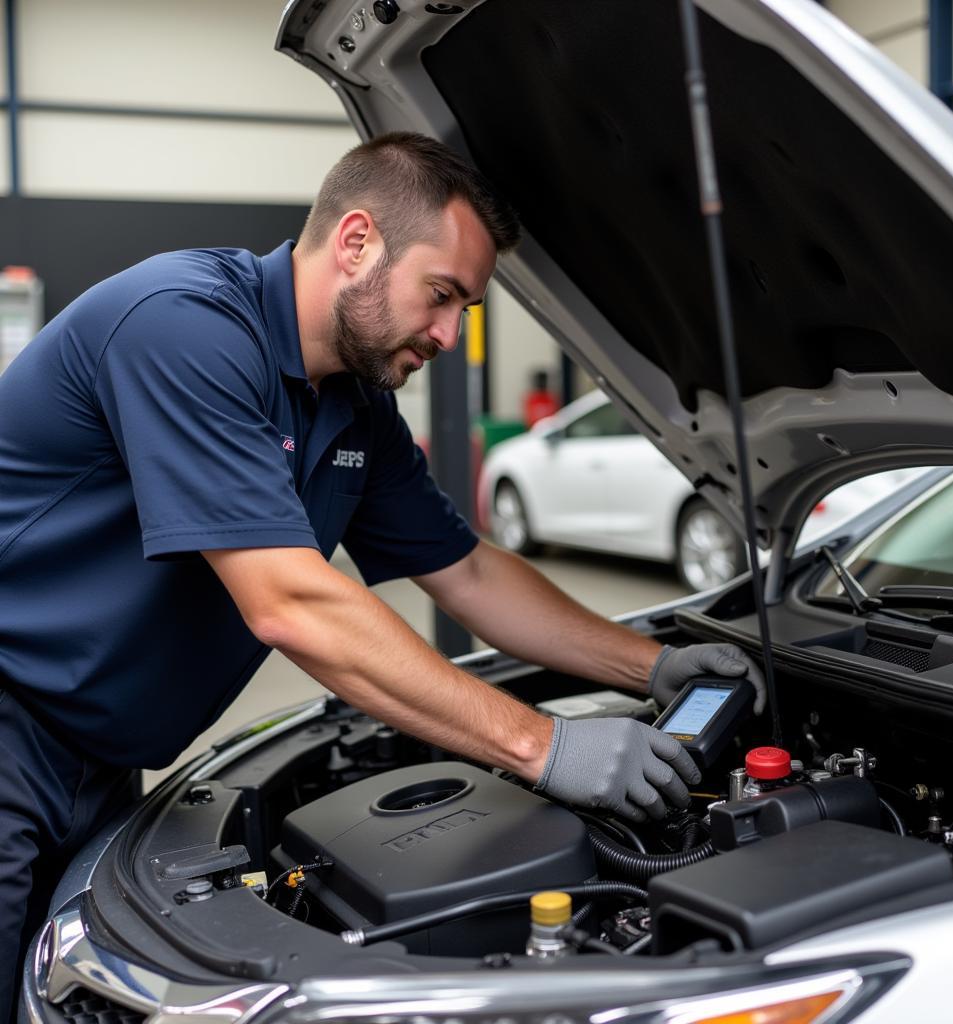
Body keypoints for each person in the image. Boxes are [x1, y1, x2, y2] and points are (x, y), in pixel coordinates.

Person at [0, 132, 763, 1016]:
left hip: (103, 758)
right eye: (440, 296)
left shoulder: (354, 406)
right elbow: (290, 602)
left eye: (465, 309)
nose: (447, 333)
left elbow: (470, 573)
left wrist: (650, 664)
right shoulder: (184, 326)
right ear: (357, 242)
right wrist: (540, 745)